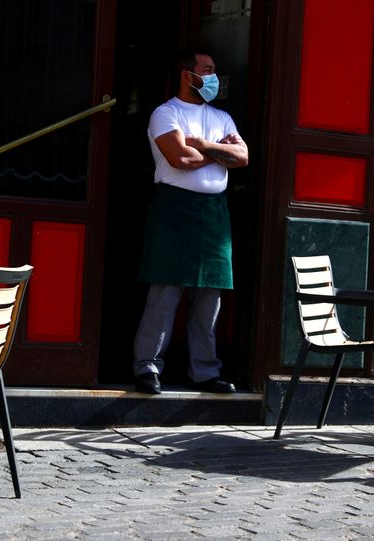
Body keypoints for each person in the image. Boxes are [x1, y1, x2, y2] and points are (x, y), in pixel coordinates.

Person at [133, 48, 249, 395]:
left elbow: (241, 157)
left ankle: (205, 371)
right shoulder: (165, 113)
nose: (214, 77)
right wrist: (217, 151)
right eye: (208, 70)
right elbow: (179, 157)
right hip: (175, 210)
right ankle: (147, 368)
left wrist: (201, 144)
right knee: (165, 293)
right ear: (188, 74)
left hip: (214, 214)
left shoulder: (222, 117)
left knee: (209, 298)